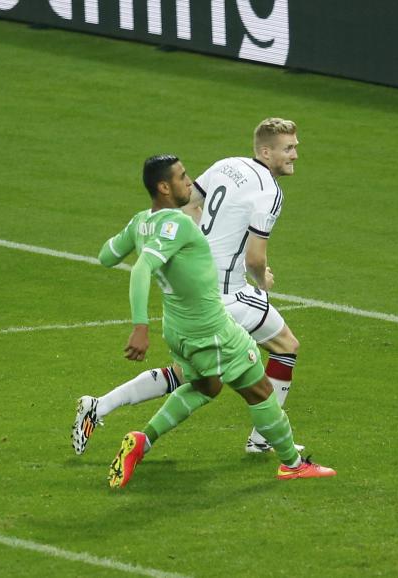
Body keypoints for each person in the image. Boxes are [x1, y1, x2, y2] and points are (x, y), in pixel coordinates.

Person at [99, 154, 335, 487]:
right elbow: (141, 268)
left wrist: (136, 236)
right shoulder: (178, 224)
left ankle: (143, 439)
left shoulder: (141, 222)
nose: (189, 181)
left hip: (177, 328)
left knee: (207, 386)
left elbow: (107, 255)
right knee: (261, 391)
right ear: (164, 187)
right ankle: (293, 465)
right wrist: (139, 326)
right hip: (210, 328)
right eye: (182, 177)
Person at [73, 118, 304, 455]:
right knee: (284, 346)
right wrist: (263, 281)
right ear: (266, 151)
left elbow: (187, 203)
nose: (295, 154)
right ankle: (266, 441)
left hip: (193, 288)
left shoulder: (227, 164)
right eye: (289, 148)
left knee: (199, 380)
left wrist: (195, 244)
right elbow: (256, 258)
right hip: (229, 293)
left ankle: (102, 407)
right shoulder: (270, 192)